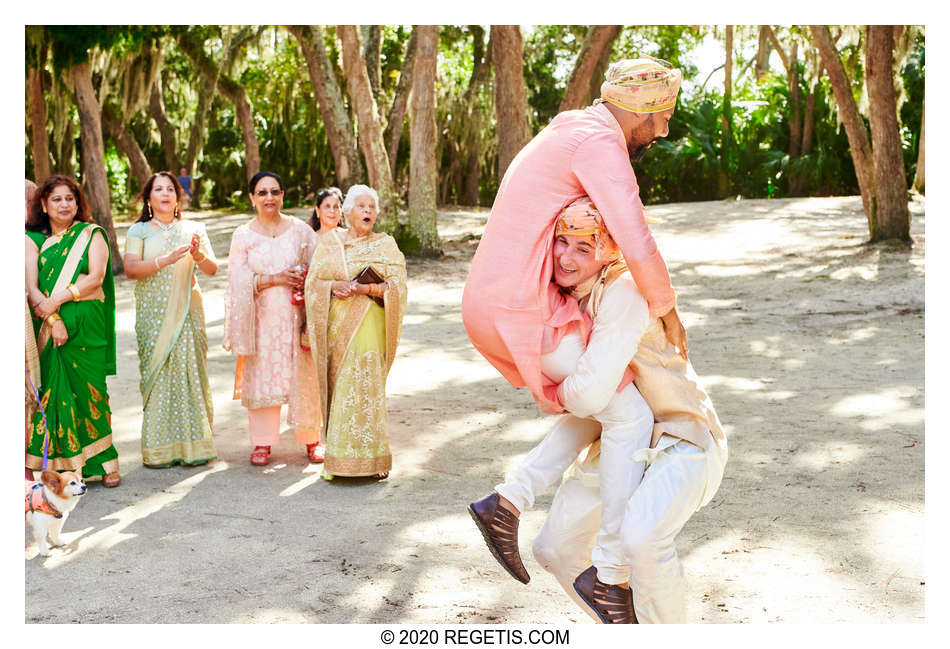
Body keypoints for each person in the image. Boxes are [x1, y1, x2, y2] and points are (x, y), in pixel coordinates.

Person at [472, 199, 727, 623]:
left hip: (684, 438)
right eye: (562, 242)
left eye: (582, 249)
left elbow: (590, 397)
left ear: (607, 252)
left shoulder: (623, 291)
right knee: (554, 547)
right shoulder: (571, 294)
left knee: (642, 539)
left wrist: (553, 393)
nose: (566, 257)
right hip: (621, 445)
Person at [461, 57, 688, 418]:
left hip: (486, 303)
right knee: (631, 417)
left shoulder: (571, 126)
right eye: (665, 118)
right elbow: (635, 238)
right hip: (520, 309)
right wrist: (668, 312)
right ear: (641, 110)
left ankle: (525, 480)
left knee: (600, 412)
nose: (663, 132)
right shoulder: (598, 143)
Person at [303, 185, 407, 480]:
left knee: (368, 387)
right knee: (344, 386)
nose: (367, 212)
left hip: (372, 325)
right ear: (346, 212)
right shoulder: (330, 244)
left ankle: (373, 461)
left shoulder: (386, 244)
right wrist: (333, 287)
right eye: (361, 206)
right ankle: (338, 461)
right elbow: (314, 284)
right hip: (338, 328)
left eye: (372, 207)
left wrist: (365, 288)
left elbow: (397, 286)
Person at [25, 175, 121, 487]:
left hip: (88, 328)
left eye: (70, 198)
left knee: (93, 393)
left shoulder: (91, 234)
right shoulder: (34, 241)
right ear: (44, 204)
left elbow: (95, 277)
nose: (64, 204)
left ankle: (106, 463)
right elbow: (31, 290)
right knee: (56, 395)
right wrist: (54, 319)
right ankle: (65, 470)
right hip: (52, 331)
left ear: (78, 203)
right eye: (57, 199)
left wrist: (58, 300)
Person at [223, 171, 319, 466]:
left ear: (282, 196)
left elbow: (319, 269)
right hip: (261, 319)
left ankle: (312, 440)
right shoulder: (243, 235)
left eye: (274, 192)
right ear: (252, 198)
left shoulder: (301, 231)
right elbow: (236, 279)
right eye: (262, 193)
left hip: (296, 317)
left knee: (303, 376)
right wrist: (273, 278)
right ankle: (262, 442)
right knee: (264, 376)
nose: (269, 198)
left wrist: (306, 280)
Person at [123, 171, 218, 468]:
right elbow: (131, 270)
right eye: (158, 189)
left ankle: (194, 446)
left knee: (189, 372)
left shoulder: (193, 229)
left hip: (187, 311)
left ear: (178, 196)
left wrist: (196, 255)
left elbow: (212, 269)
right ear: (148, 197)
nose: (165, 194)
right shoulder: (138, 231)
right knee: (159, 375)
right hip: (152, 315)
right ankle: (159, 448)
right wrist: (165, 260)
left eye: (170, 189)